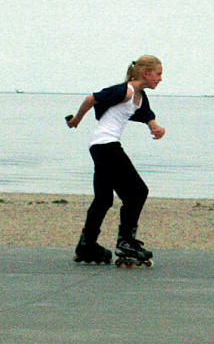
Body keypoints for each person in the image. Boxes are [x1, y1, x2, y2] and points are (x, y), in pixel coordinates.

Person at [64, 55, 166, 266]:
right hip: (106, 146)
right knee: (138, 192)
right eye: (158, 74)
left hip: (100, 146)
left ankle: (87, 245)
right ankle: (126, 242)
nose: (160, 79)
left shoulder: (139, 95)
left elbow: (145, 113)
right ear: (146, 74)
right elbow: (91, 99)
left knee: (103, 199)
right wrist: (76, 119)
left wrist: (154, 127)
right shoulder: (125, 90)